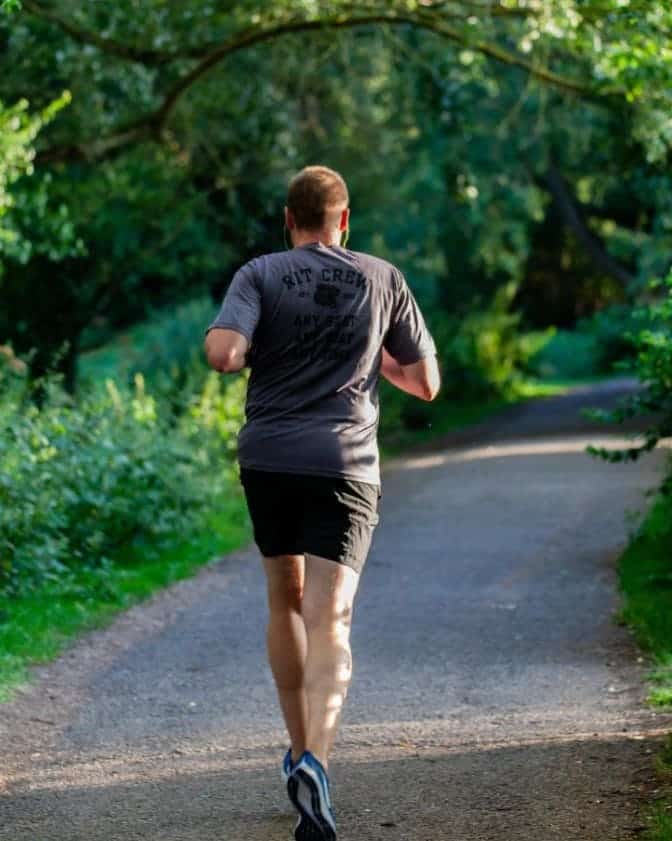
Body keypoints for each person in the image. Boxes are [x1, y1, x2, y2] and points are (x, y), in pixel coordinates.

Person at [204, 165, 440, 841]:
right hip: (346, 464)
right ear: (345, 218)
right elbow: (426, 382)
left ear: (289, 219)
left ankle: (299, 750)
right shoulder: (383, 277)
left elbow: (225, 350)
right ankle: (316, 760)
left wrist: (235, 349)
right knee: (330, 616)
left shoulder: (260, 273)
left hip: (271, 457)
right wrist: (379, 367)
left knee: (286, 600)